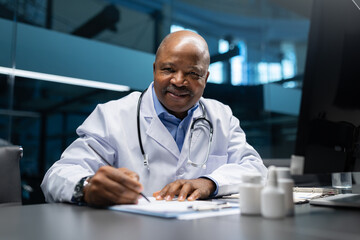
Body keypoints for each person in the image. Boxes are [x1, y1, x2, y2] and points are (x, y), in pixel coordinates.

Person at [41, 30, 267, 206]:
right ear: (154, 69)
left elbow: (255, 169)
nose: (179, 81)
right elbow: (57, 175)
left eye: (193, 73)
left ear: (205, 78)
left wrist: (210, 183)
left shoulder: (221, 116)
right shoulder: (112, 115)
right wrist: (87, 187)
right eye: (168, 69)